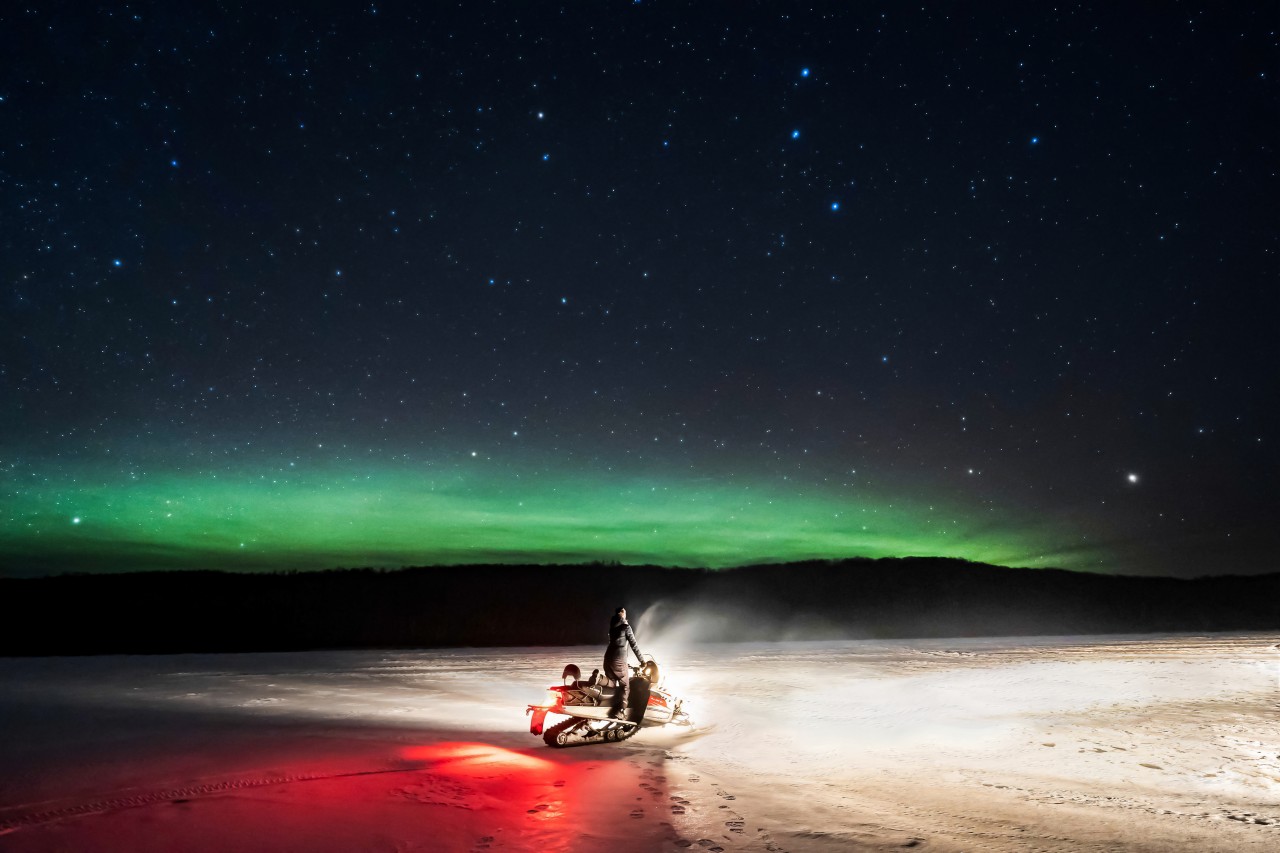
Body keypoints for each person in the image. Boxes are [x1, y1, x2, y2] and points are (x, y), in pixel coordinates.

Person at [603, 606, 644, 719]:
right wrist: (642, 661)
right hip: (619, 660)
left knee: (611, 683)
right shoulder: (626, 627)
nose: (626, 614)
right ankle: (620, 711)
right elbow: (634, 645)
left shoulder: (612, 627)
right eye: (625, 612)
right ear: (622, 613)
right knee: (625, 685)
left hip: (607, 659)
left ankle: (606, 706)